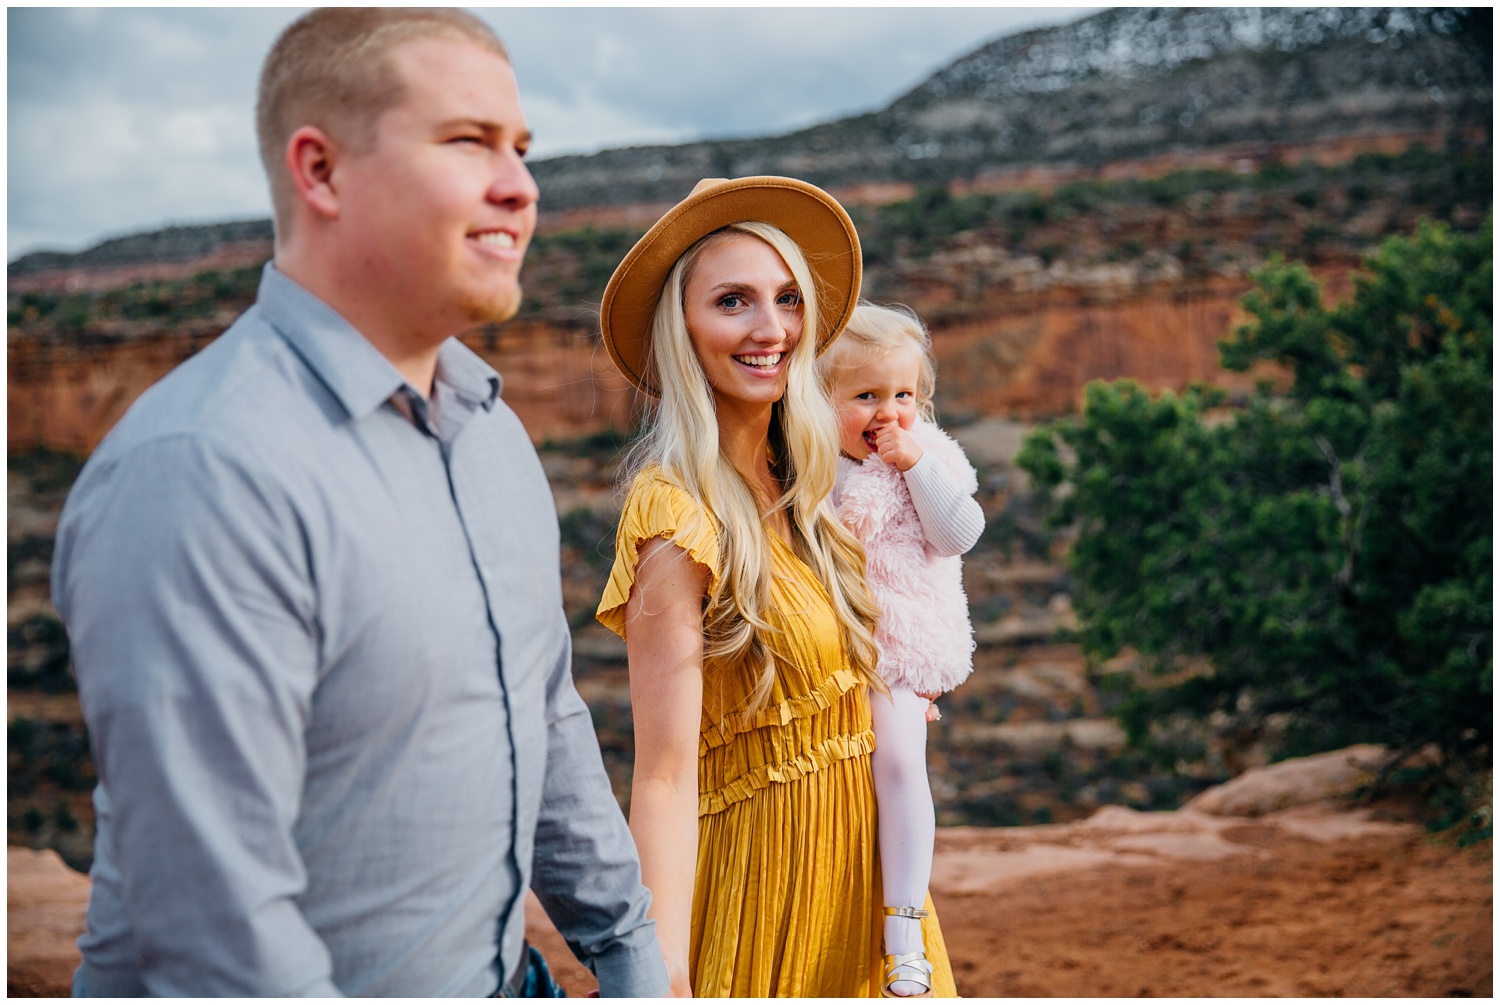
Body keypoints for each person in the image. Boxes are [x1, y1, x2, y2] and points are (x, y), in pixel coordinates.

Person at [51, 8, 667, 997]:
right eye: (468, 142)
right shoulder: (200, 468)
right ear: (320, 170)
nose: (521, 185)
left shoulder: (494, 434)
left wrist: (634, 961)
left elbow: (545, 714)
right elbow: (223, 936)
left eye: (521, 148)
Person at [593, 176, 959, 997]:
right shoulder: (674, 514)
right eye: (733, 301)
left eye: (789, 298)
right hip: (769, 890)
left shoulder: (821, 488)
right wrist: (662, 977)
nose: (772, 329)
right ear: (680, 330)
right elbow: (661, 772)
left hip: (872, 896)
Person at [821, 302, 984, 997]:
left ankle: (903, 927)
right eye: (865, 395)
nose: (888, 412)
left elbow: (960, 533)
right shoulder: (813, 464)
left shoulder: (930, 456)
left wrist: (915, 464)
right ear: (818, 400)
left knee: (895, 760)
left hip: (896, 651)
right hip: (825, 649)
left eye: (904, 396)